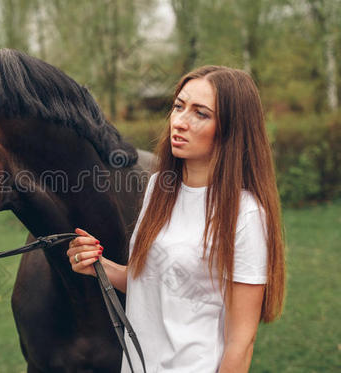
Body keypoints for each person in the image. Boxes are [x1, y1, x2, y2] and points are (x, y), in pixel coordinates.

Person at [67, 66, 285, 373]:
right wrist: (98, 266)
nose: (180, 122)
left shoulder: (245, 214)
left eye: (201, 113)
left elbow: (241, 341)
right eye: (179, 106)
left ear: (232, 128)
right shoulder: (160, 188)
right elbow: (152, 283)